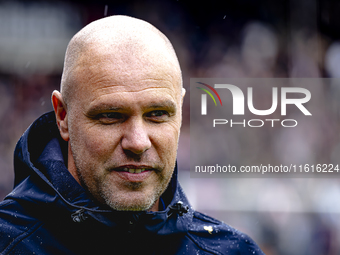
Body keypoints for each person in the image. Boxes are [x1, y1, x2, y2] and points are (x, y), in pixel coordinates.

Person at [0, 15, 264, 254]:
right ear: (63, 117)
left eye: (158, 114)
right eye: (111, 116)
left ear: (181, 112)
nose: (138, 142)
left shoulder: (234, 251)